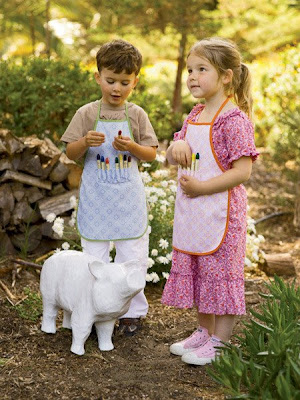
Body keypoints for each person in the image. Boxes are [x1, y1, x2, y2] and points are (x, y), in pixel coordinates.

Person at [161, 37, 259, 365]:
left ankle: (221, 343)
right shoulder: (195, 113)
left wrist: (203, 188)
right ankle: (203, 332)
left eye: (201, 69)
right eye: (190, 69)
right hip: (194, 211)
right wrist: (175, 149)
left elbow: (242, 171)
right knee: (202, 271)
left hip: (221, 212)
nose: (191, 76)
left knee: (222, 274)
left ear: (226, 76)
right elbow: (179, 147)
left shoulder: (234, 120)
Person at [61, 39, 158, 336]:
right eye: (110, 80)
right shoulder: (87, 113)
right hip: (97, 197)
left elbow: (152, 153)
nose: (117, 88)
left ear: (135, 82)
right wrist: (83, 143)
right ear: (98, 76)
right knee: (95, 257)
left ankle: (133, 313)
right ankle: (92, 308)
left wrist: (133, 147)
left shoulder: (137, 115)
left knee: (133, 255)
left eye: (124, 82)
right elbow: (70, 153)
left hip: (127, 197)